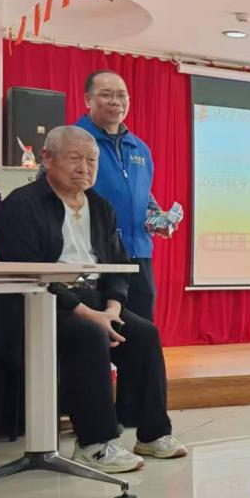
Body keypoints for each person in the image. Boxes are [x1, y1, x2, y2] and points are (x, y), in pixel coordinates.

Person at [0, 126, 184, 472]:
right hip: (40, 303)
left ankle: (153, 433)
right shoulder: (23, 204)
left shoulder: (100, 206)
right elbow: (26, 271)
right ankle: (95, 443)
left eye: (91, 160)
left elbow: (118, 267)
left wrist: (111, 308)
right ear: (47, 159)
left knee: (144, 333)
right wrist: (87, 313)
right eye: (74, 158)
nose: (84, 167)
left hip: (94, 299)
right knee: (88, 333)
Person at [74, 71, 171, 321]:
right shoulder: (73, 140)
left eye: (121, 95)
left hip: (138, 255)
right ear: (88, 99)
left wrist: (157, 216)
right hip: (92, 254)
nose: (116, 102)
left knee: (141, 331)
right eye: (106, 95)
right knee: (98, 331)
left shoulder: (139, 147)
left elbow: (141, 193)